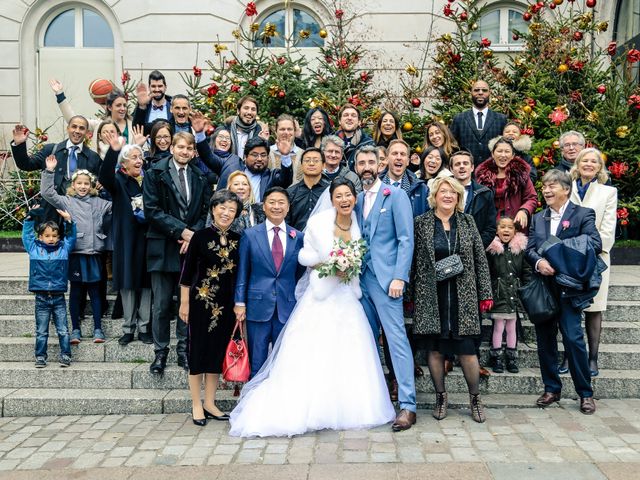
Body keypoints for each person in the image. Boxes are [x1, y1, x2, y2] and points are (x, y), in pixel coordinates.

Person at [229, 178, 395, 437]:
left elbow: (362, 255)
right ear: (331, 199)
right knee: (314, 351)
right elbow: (304, 256)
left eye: (348, 195)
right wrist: (331, 262)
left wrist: (349, 265)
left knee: (349, 351)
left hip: (348, 297)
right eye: (338, 195)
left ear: (354, 198)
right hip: (320, 296)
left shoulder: (359, 224)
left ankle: (347, 406)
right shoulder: (318, 224)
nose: (344, 200)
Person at [408, 176, 493, 423]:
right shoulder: (420, 223)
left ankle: (475, 398)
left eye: (453, 192)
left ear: (458, 197)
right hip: (431, 296)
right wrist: (410, 294)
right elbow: (414, 261)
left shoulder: (468, 222)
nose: (448, 196)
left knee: (467, 350)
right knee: (434, 350)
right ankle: (440, 396)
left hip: (462, 295)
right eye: (443, 191)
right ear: (434, 196)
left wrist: (485, 293)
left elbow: (479, 257)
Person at [527, 170, 602, 415]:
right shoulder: (538, 218)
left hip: (570, 289)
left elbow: (594, 242)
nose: (546, 191)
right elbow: (530, 248)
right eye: (544, 187)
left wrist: (558, 253)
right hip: (544, 288)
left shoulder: (582, 214)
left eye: (552, 186)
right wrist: (540, 262)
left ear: (566, 189)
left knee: (573, 339)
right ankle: (551, 388)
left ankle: (585, 393)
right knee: (545, 341)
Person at [354, 145, 417, 431]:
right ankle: (372, 401)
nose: (366, 167)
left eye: (371, 162)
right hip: (359, 281)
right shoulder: (354, 199)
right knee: (365, 343)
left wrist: (399, 277)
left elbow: (406, 239)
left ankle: (408, 405)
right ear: (355, 166)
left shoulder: (397, 195)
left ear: (380, 164)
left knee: (396, 341)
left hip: (386, 281)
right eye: (361, 162)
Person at [143, 132, 211, 374]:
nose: (184, 151)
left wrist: (193, 234)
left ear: (194, 151)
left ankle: (184, 349)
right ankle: (160, 352)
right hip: (163, 245)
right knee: (161, 305)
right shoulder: (154, 173)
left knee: (188, 303)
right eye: (180, 146)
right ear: (172, 148)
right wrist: (181, 231)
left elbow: (206, 211)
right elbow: (151, 210)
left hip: (190, 248)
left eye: (189, 148)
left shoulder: (199, 175)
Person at [179, 190, 243, 426]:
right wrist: (184, 302)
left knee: (216, 354)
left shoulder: (239, 238)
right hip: (200, 303)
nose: (226, 213)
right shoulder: (199, 237)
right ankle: (196, 403)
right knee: (198, 352)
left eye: (231, 210)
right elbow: (186, 274)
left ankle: (210, 402)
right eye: (222, 208)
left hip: (226, 306)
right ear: (213, 209)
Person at [233, 187, 305, 377]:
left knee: (284, 360)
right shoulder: (250, 235)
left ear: (288, 207)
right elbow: (243, 271)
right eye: (272, 202)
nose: (276, 206)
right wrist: (239, 303)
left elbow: (299, 272)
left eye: (281, 202)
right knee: (257, 361)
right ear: (263, 206)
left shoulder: (298, 237)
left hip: (286, 305)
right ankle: (253, 401)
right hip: (257, 305)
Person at [40, 158, 112, 344]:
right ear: (73, 185)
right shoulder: (67, 202)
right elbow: (47, 192)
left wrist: (108, 187)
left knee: (96, 292)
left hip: (95, 253)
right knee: (76, 292)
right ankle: (76, 330)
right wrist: (49, 171)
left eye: (86, 183)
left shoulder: (100, 202)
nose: (83, 186)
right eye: (79, 183)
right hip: (76, 253)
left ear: (92, 185)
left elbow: (117, 203)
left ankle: (98, 329)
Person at [561, 148, 617, 377]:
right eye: (585, 160)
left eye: (594, 161)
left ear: (599, 167)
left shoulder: (608, 192)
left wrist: (585, 248)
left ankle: (592, 358)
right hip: (567, 258)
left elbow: (608, 228)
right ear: (577, 163)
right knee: (569, 308)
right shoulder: (567, 187)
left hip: (596, 258)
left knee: (594, 309)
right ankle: (568, 355)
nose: (589, 164)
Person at [99, 135, 153, 346]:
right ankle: (128, 328)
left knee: (147, 283)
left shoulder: (149, 179)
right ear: (123, 163)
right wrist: (113, 150)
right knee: (128, 284)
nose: (138, 160)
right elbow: (104, 176)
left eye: (140, 156)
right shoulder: (118, 181)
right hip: (126, 240)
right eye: (133, 157)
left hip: (148, 239)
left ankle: (145, 327)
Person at [449, 150, 497, 377]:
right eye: (456, 164)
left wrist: (472, 248)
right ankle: (448, 357)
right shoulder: (444, 192)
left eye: (465, 163)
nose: (461, 167)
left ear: (472, 167)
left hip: (474, 260)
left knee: (473, 310)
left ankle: (472, 358)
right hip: (447, 258)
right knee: (448, 306)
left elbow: (490, 227)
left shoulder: (484, 193)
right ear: (451, 168)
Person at [11, 119, 101, 228]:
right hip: (50, 214)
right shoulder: (50, 150)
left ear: (87, 132)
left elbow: (100, 185)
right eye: (74, 126)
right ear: (67, 128)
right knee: (50, 244)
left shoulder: (93, 157)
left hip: (79, 215)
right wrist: (19, 144)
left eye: (81, 128)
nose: (77, 131)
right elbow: (26, 165)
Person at [192, 113, 294, 200]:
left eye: (263, 155)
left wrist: (285, 156)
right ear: (245, 156)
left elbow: (286, 180)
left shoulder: (271, 176)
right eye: (254, 155)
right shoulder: (230, 164)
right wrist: (200, 134)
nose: (259, 159)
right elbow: (208, 157)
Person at [23, 209, 76, 368]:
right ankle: (40, 356)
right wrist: (30, 218)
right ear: (40, 237)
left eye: (54, 236)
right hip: (41, 297)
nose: (51, 239)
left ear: (59, 237)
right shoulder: (33, 248)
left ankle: (66, 355)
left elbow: (71, 236)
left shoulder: (64, 248)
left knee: (63, 330)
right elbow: (26, 235)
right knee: (41, 331)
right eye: (47, 236)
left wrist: (69, 221)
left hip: (58, 296)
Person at [486, 217, 531, 374]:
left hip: (514, 294)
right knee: (498, 326)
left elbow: (526, 271)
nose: (506, 230)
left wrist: (525, 289)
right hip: (498, 294)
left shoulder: (519, 250)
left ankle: (511, 357)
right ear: (497, 231)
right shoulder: (492, 250)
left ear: (515, 231)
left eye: (510, 227)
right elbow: (488, 273)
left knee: (512, 327)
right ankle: (496, 356)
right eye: (502, 227)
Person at [475, 137, 537, 231]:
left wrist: (524, 210)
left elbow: (531, 198)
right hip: (490, 228)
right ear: (492, 154)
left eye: (507, 151)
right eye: (499, 151)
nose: (503, 155)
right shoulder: (482, 177)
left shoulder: (521, 174)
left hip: (514, 227)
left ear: (512, 155)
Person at [50, 79, 135, 146]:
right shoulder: (100, 124)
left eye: (125, 105)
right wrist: (60, 95)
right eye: (118, 105)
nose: (123, 108)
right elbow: (72, 120)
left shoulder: (134, 124)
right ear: (109, 107)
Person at [450, 80, 507, 166]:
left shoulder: (501, 119)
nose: (480, 93)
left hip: (493, 172)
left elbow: (506, 147)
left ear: (489, 93)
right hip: (466, 173)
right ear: (471, 93)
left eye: (484, 90)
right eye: (476, 90)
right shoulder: (459, 119)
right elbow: (452, 146)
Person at [286, 148, 330, 231]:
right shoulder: (290, 192)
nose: (311, 163)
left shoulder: (330, 191)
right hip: (296, 240)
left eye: (316, 161)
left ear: (324, 165)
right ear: (301, 165)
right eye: (307, 160)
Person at [336, 104, 374, 171]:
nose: (349, 118)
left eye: (353, 116)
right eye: (346, 115)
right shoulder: (330, 143)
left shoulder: (368, 143)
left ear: (359, 122)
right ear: (339, 121)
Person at [269, 114, 303, 183]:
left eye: (289, 129)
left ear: (294, 131)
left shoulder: (303, 154)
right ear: (276, 132)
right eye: (282, 129)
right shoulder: (267, 153)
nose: (286, 132)